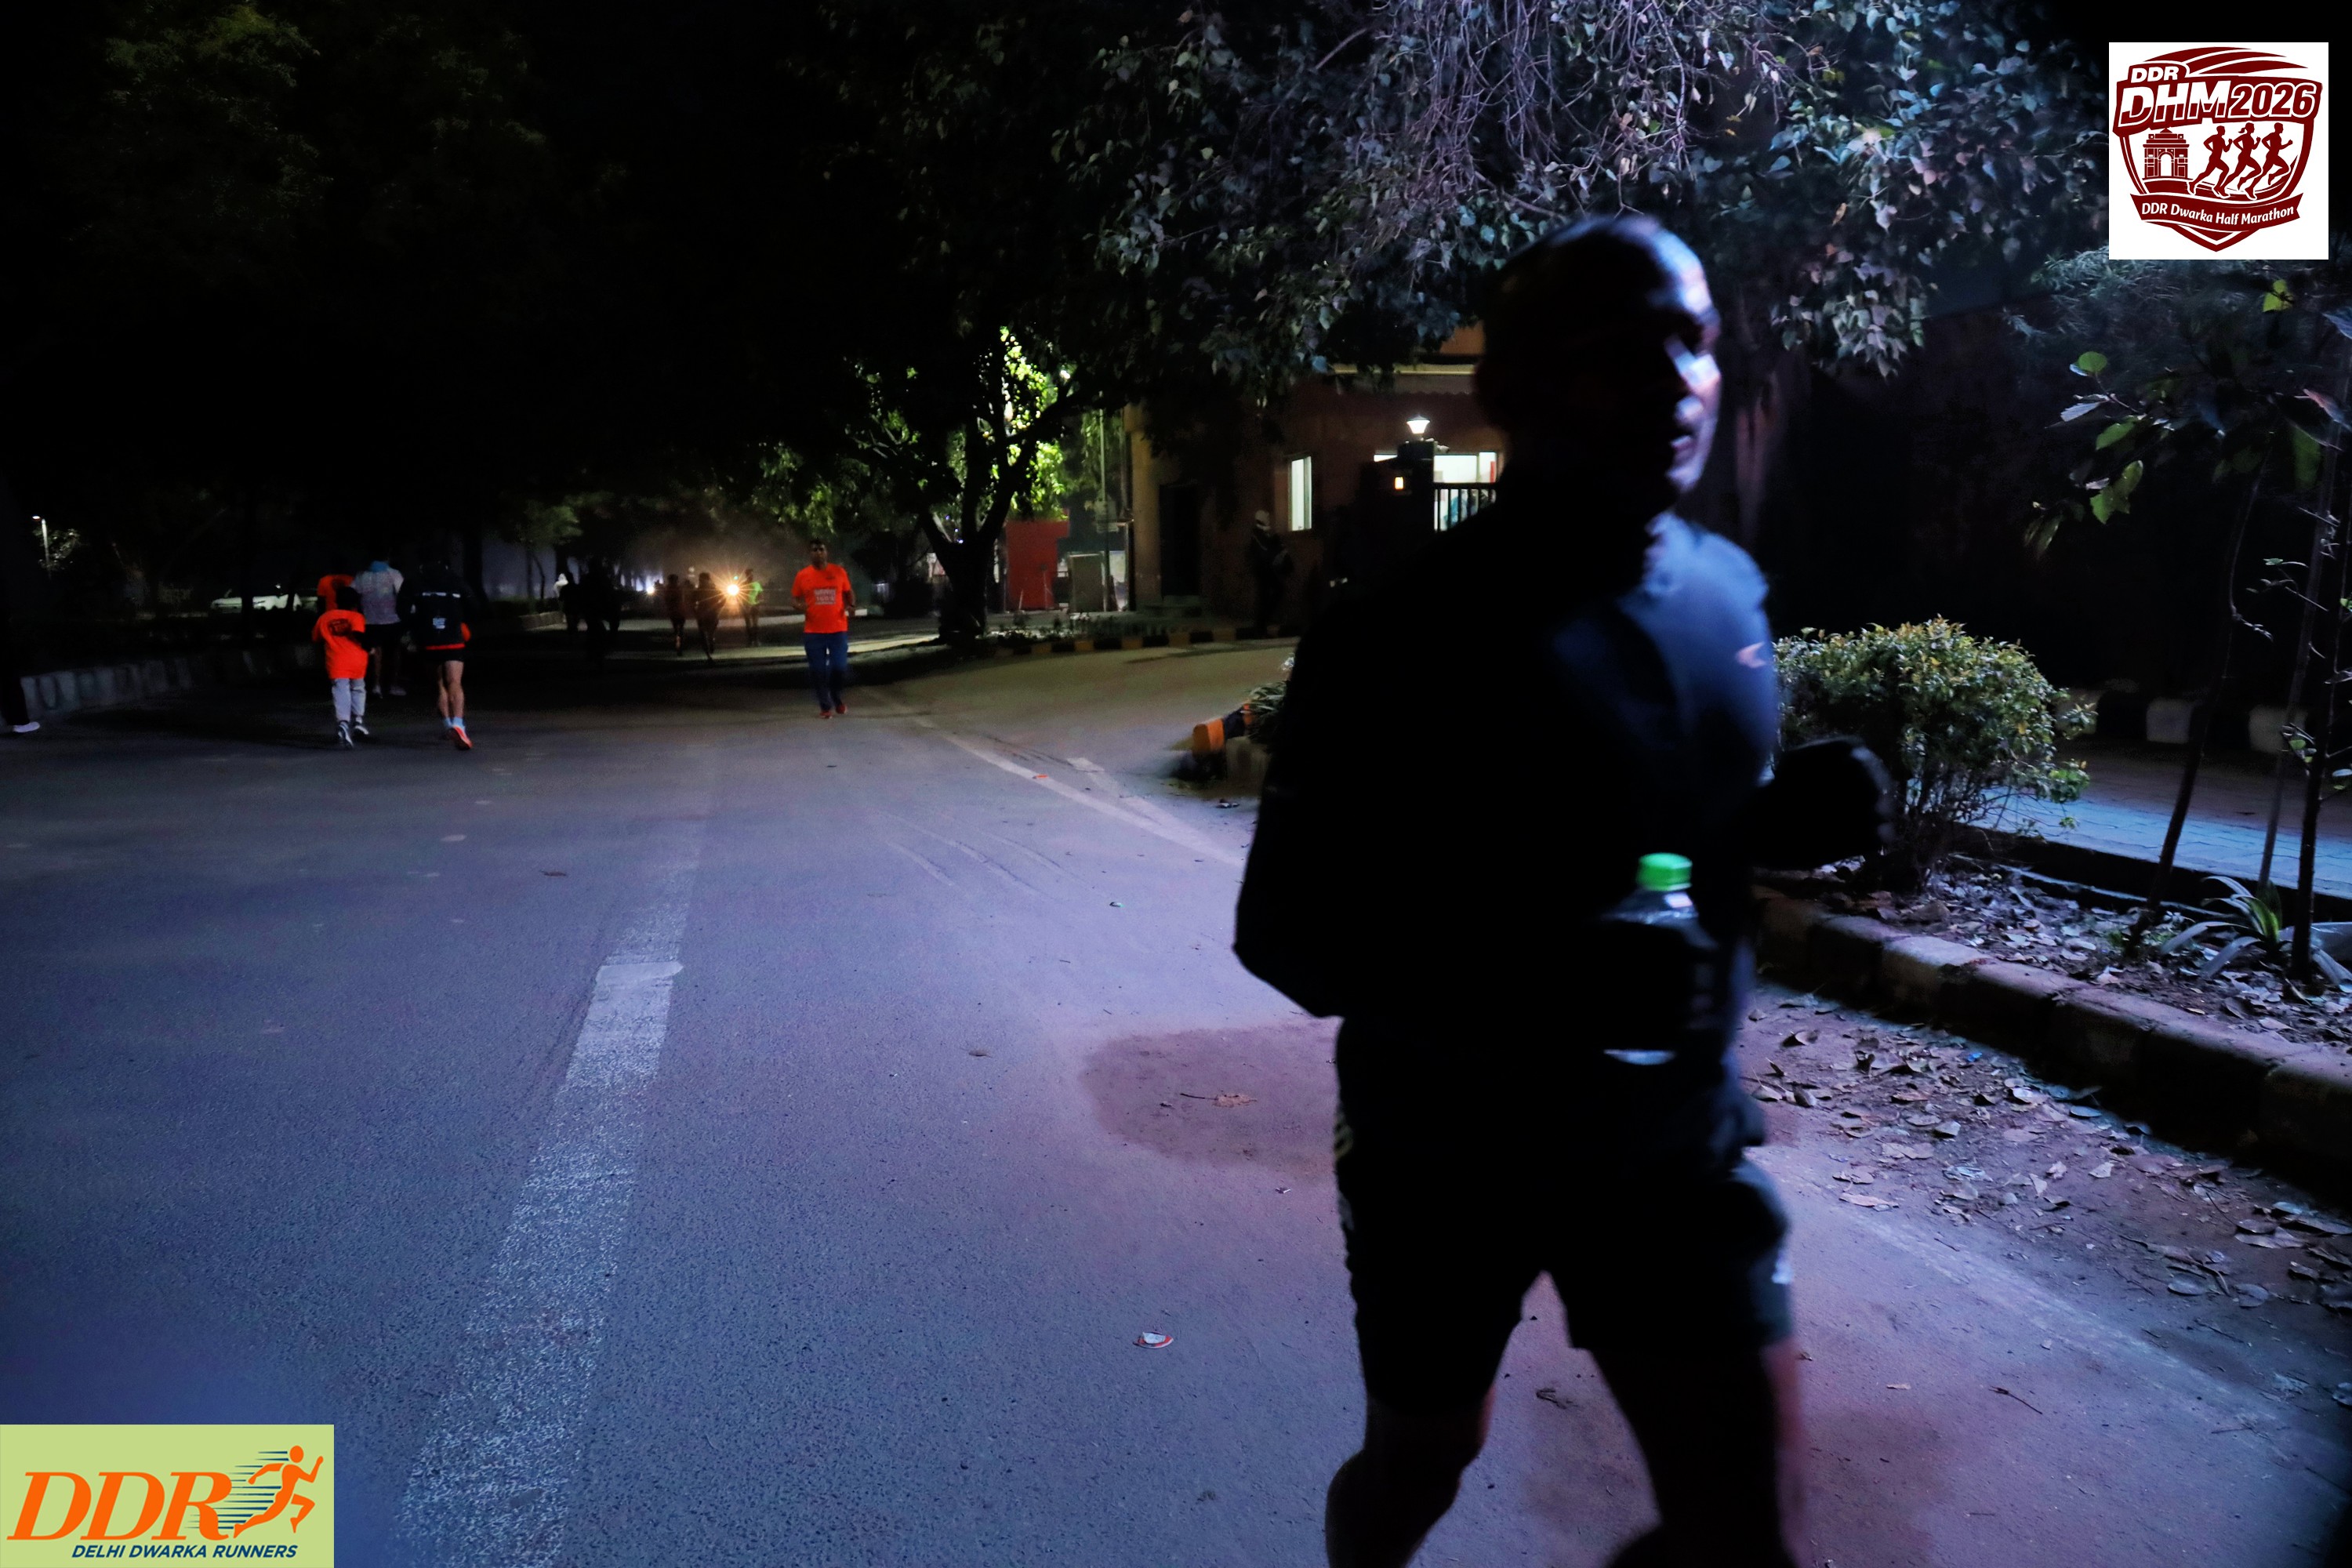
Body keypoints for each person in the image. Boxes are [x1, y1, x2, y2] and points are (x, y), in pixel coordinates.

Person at [1235, 216, 1887, 1568]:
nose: (1677, 382)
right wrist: (1537, 975)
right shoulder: (1395, 637)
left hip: (1671, 1145)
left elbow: (1659, 834)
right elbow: (1287, 932)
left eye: (1696, 343)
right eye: (1621, 348)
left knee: (1747, 1531)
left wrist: (1773, 823)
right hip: (1445, 1154)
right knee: (1423, 1460)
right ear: (1511, 387)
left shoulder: (1726, 596)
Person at [401, 561, 474, 750]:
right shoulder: (456, 581)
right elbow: (474, 606)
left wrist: (414, 628)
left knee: (439, 684)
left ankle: (448, 725)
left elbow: (402, 610)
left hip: (428, 640)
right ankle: (458, 724)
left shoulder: (414, 582)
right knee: (455, 682)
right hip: (453, 638)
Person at [791, 538, 855, 717]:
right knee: (818, 671)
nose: (818, 553)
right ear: (810, 554)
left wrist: (851, 606)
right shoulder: (803, 575)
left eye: (821, 549)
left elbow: (849, 592)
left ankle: (836, 697)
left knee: (839, 668)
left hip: (838, 630)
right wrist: (800, 606)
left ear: (826, 552)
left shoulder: (839, 572)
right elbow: (794, 599)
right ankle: (825, 706)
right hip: (813, 632)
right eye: (814, 550)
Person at [314, 582, 372, 746]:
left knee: (341, 691)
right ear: (355, 603)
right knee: (358, 689)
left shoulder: (325, 618)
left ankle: (343, 723)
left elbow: (316, 638)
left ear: (336, 601)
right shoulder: (356, 617)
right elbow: (358, 634)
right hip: (357, 661)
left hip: (336, 662)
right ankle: (358, 720)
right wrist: (370, 647)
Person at [351, 555, 406, 697]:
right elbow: (403, 594)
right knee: (394, 653)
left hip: (370, 620)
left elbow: (353, 594)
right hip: (392, 619)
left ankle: (376, 686)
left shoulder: (362, 575)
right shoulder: (393, 573)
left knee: (376, 653)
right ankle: (393, 685)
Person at [1247, 510, 1295, 631]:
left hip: (1267, 569)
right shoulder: (1257, 534)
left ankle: (1262, 623)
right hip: (1262, 570)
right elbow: (1265, 549)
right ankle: (1261, 625)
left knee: (1273, 593)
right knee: (1265, 596)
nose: (1269, 520)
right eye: (1267, 518)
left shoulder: (1265, 534)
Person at [692, 570, 724, 661]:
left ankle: (708, 650)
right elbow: (723, 598)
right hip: (711, 613)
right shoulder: (713, 590)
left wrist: (695, 611)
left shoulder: (699, 591)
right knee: (708, 632)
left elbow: (692, 602)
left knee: (704, 633)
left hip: (704, 613)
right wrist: (718, 606)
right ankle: (710, 643)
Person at [662, 572, 688, 654]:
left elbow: (666, 600)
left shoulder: (668, 590)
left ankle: (677, 644)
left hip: (673, 612)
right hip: (681, 611)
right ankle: (680, 645)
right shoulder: (679, 589)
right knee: (681, 629)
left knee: (676, 629)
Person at [741, 567, 764, 645]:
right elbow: (739, 596)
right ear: (746, 575)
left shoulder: (757, 584)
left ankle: (756, 640)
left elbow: (761, 595)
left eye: (752, 575)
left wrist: (759, 601)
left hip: (755, 605)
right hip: (746, 606)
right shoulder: (743, 585)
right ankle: (750, 641)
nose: (751, 576)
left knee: (755, 624)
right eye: (749, 574)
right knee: (748, 624)